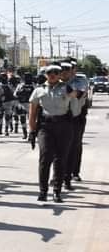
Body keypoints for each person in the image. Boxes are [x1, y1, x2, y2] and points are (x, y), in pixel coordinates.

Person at [28, 64, 76, 203]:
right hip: (45, 127)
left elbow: (76, 95)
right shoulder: (38, 90)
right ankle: (43, 191)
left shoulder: (66, 88)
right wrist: (32, 130)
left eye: (56, 72)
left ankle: (57, 191)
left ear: (60, 74)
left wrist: (71, 91)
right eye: (50, 72)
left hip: (64, 126)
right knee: (45, 157)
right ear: (45, 74)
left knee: (60, 159)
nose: (53, 74)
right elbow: (32, 112)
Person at [61, 60, 88, 191]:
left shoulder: (79, 80)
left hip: (77, 117)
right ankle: (59, 175)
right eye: (63, 68)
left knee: (74, 146)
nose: (65, 71)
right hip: (60, 117)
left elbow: (80, 92)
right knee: (59, 148)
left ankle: (74, 172)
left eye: (69, 68)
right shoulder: (56, 81)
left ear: (74, 69)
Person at [14, 73, 34, 139]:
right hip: (25, 104)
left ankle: (28, 134)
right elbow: (15, 94)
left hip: (29, 104)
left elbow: (15, 95)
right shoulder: (21, 85)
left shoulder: (33, 85)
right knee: (25, 120)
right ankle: (26, 133)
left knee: (28, 120)